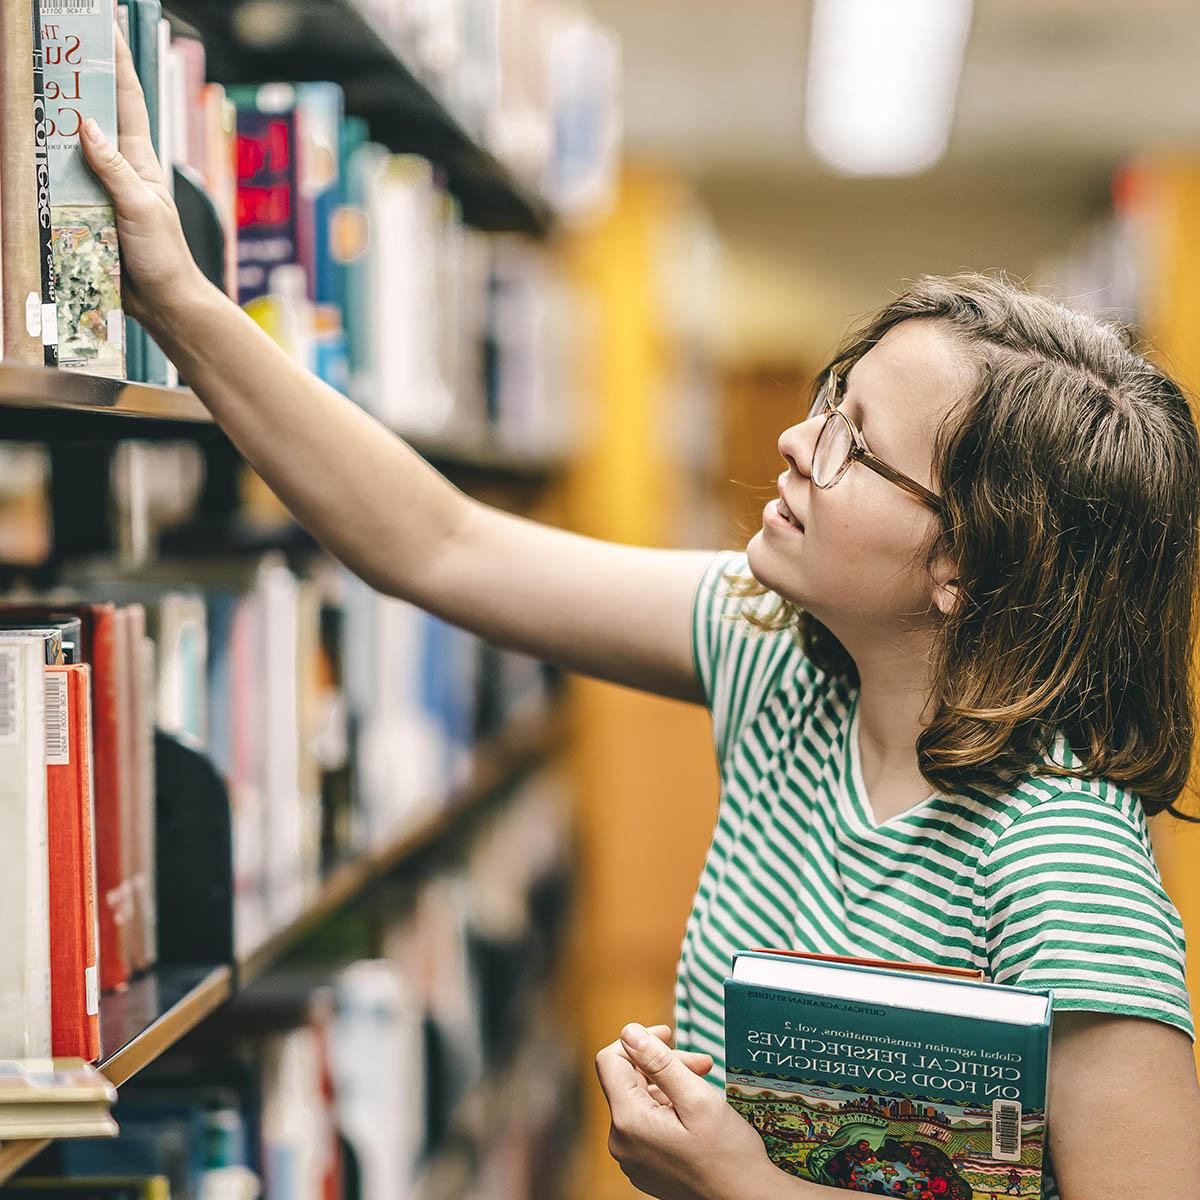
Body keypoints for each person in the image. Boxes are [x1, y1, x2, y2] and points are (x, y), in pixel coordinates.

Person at [82, 27, 1200, 1200]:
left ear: (965, 567)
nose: (793, 442)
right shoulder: (779, 660)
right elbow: (437, 543)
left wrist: (740, 1184)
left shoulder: (1064, 867)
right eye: (832, 400)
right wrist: (179, 299)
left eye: (856, 447)